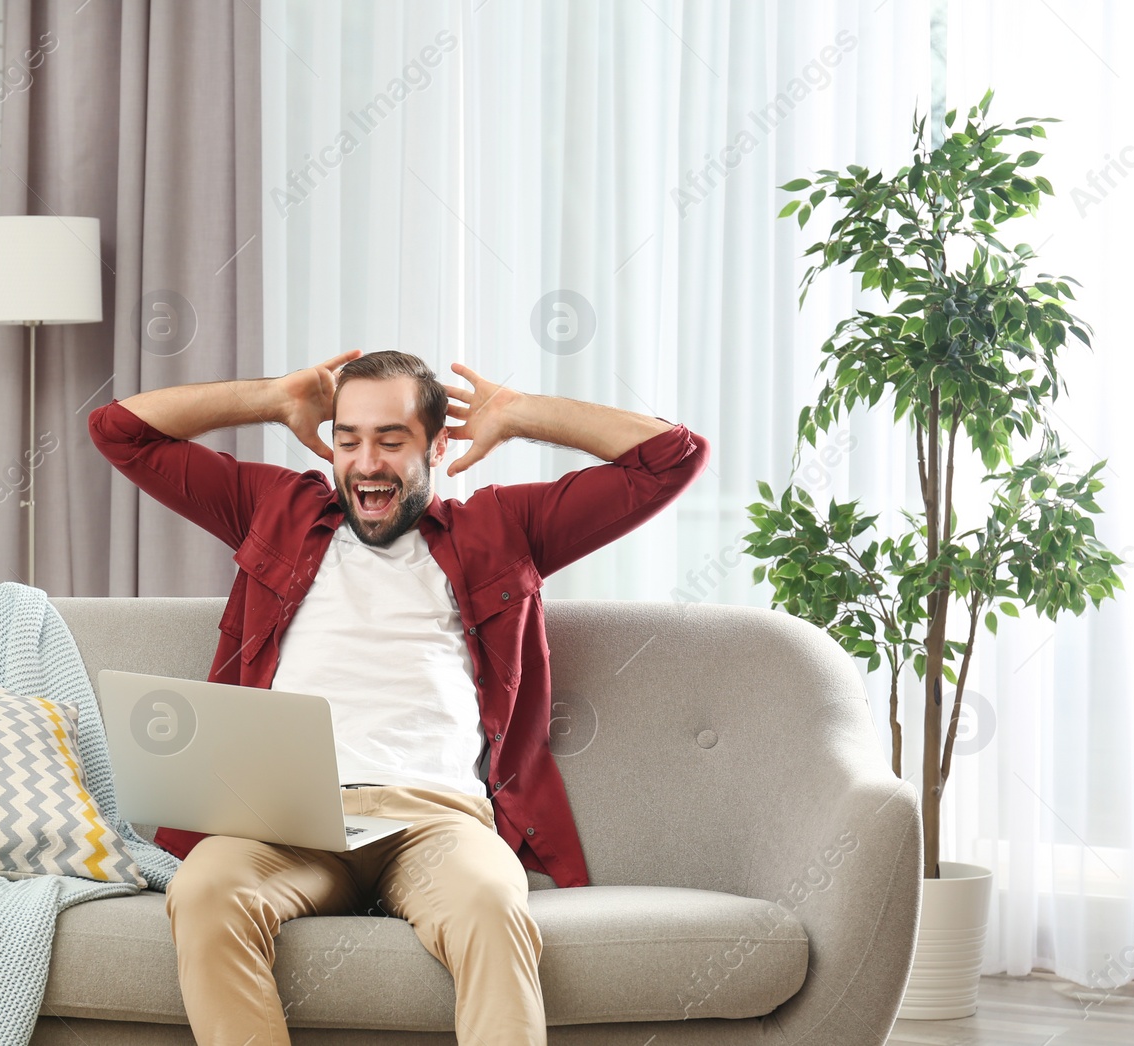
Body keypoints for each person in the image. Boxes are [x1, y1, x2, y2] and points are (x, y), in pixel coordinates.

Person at [88, 349, 709, 1046]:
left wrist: (519, 412)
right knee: (203, 890)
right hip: (286, 824)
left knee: (490, 907)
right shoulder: (279, 510)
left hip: (436, 822)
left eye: (391, 440)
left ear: (439, 445)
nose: (366, 463)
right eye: (347, 439)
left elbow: (670, 458)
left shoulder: (498, 528)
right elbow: (119, 431)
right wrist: (272, 397)